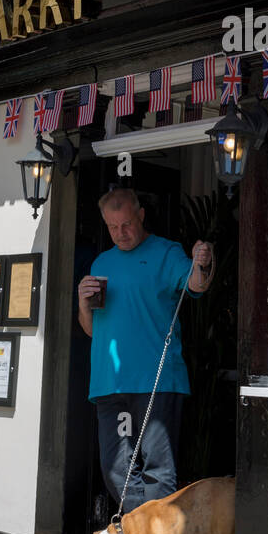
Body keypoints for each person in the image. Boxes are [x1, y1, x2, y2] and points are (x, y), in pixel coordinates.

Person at [78, 187, 214, 514]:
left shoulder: (166, 252)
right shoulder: (101, 261)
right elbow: (93, 329)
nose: (120, 234)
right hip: (109, 384)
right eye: (112, 227)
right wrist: (82, 304)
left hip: (156, 379)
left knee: (159, 471)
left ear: (141, 215)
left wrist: (203, 262)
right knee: (115, 470)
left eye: (126, 224)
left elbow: (196, 284)